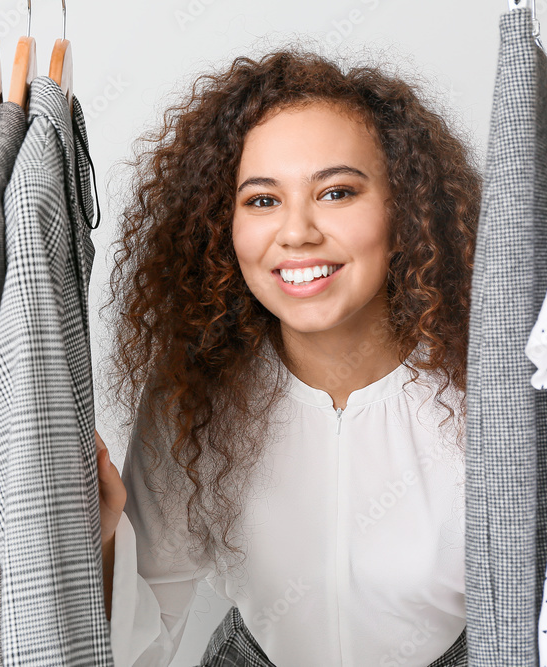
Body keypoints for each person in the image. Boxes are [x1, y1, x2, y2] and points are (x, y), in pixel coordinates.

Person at [94, 46, 481, 666]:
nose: (297, 232)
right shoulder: (194, 395)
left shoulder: (489, 388)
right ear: (226, 227)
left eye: (336, 192)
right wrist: (110, 536)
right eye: (263, 200)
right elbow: (144, 633)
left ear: (403, 208)